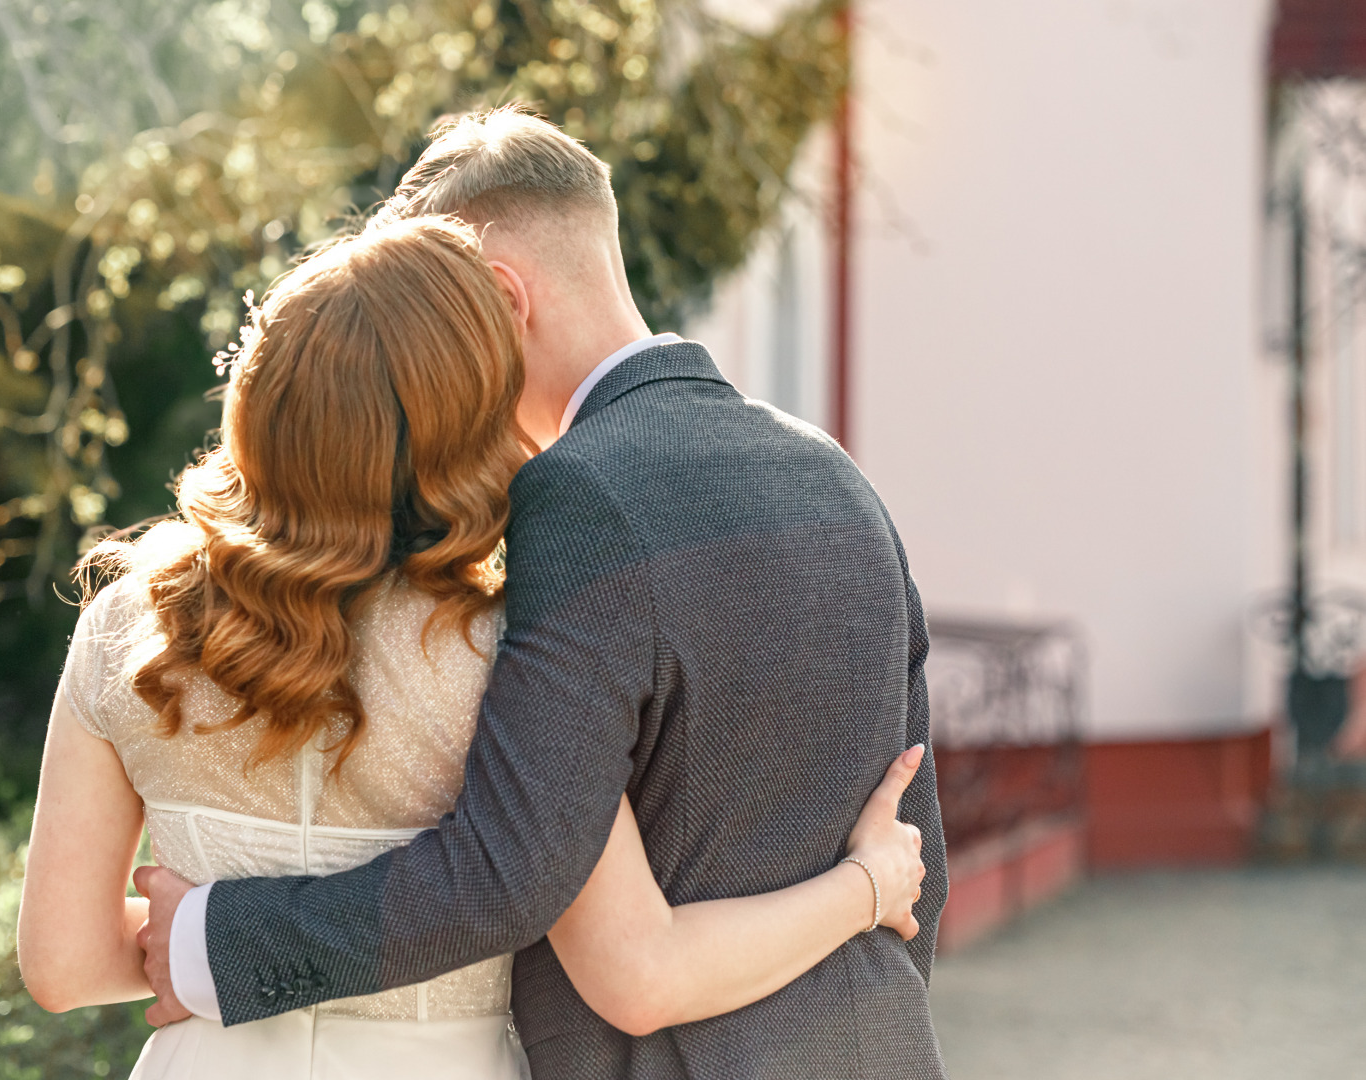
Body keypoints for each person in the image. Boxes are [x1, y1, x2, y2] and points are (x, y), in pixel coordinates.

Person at [133, 107, 950, 1078]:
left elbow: (510, 866)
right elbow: (915, 866)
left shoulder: (576, 493)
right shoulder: (835, 476)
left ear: (496, 297)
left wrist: (214, 945)